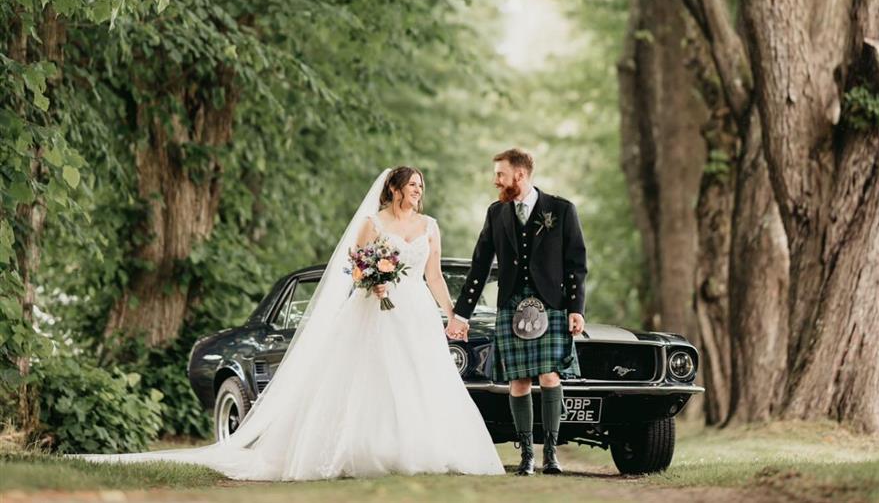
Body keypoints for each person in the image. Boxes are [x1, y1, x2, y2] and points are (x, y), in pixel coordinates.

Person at [80, 167, 504, 481]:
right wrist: (372, 280)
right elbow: (353, 267)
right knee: (372, 377)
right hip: (376, 308)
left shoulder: (430, 226)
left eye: (421, 187)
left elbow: (433, 276)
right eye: (412, 185)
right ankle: (364, 449)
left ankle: (422, 449)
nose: (418, 191)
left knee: (421, 379)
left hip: (416, 311)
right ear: (394, 188)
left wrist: (452, 314)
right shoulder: (373, 223)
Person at [447, 148, 587, 476]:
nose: (495, 180)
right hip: (511, 304)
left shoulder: (561, 209)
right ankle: (526, 456)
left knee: (550, 376)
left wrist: (576, 308)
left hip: (551, 304)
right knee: (518, 381)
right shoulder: (497, 213)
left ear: (519, 175)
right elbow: (480, 266)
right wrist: (461, 314)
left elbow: (576, 264)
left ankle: (550, 453)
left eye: (501, 174)